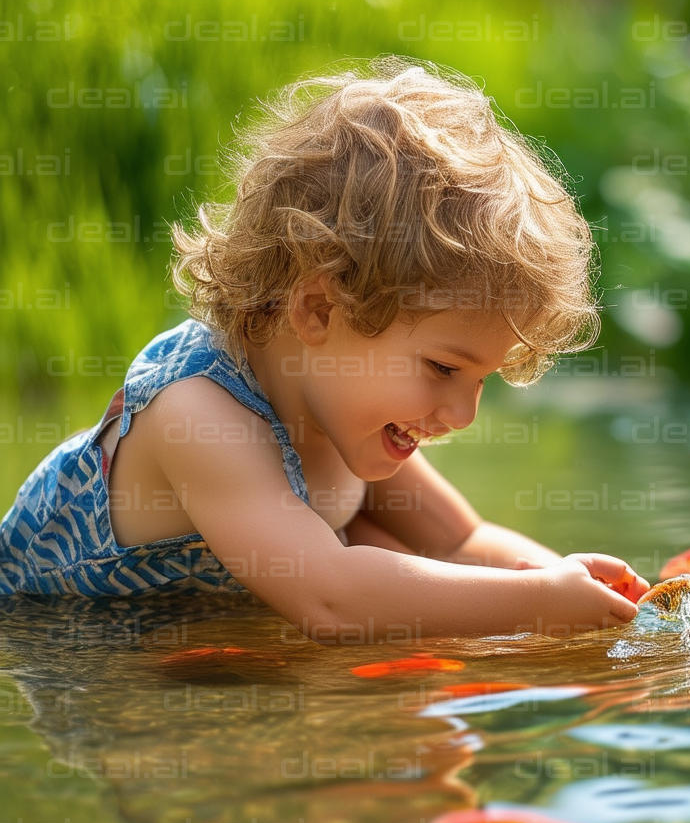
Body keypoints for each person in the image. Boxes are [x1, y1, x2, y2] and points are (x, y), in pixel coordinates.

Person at [0, 57, 648, 641]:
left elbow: (461, 541)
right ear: (318, 309)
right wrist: (536, 602)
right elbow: (332, 601)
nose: (463, 413)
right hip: (52, 644)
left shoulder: (350, 413)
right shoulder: (196, 414)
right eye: (444, 368)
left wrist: (571, 586)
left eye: (481, 380)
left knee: (399, 590)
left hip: (182, 631)